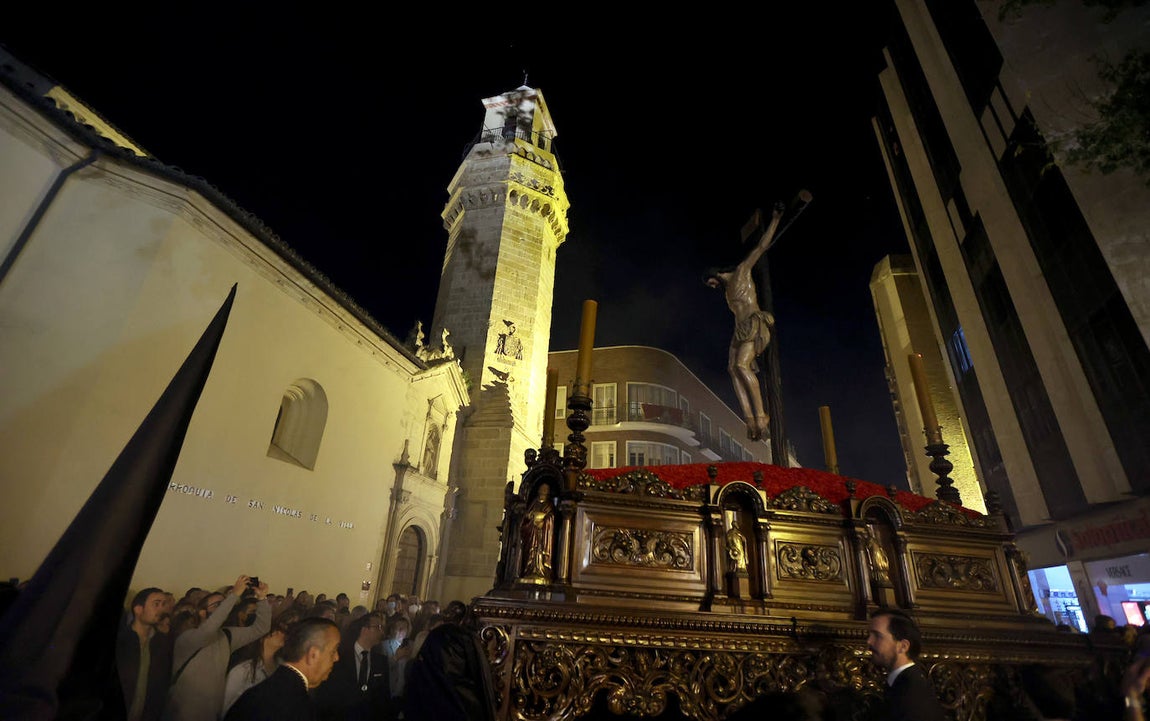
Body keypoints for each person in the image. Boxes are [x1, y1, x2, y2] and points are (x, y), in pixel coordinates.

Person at [703, 202, 785, 441]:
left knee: (741, 366)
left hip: (754, 322)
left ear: (715, 273)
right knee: (731, 368)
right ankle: (750, 420)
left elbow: (761, 247)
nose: (712, 286)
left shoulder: (741, 272)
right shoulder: (727, 291)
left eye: (710, 281)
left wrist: (776, 219)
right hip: (740, 329)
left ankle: (761, 416)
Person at [164, 575, 271, 721]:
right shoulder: (187, 638)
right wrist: (233, 595)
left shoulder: (226, 635)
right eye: (217, 605)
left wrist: (262, 599)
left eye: (224, 605)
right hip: (182, 714)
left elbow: (261, 628)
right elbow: (208, 631)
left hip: (212, 714)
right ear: (202, 612)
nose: (224, 609)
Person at [223, 617, 341, 721]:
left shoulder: (262, 690)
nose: (337, 658)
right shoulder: (298, 706)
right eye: (333, 651)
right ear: (313, 655)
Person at [866, 609, 946, 721]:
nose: (869, 641)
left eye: (877, 636)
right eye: (869, 635)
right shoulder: (905, 683)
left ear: (903, 646)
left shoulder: (911, 693)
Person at [313, 612, 393, 721]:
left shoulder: (381, 661)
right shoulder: (339, 656)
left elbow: (384, 698)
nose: (382, 631)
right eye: (378, 627)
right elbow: (326, 693)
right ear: (364, 629)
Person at [116, 586, 173, 721]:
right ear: (138, 609)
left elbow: (163, 682)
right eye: (156, 604)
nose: (162, 609)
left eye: (164, 604)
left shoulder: (162, 643)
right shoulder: (122, 641)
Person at [221, 619, 288, 716]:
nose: (282, 635)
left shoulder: (283, 666)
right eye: (276, 632)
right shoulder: (243, 670)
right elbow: (227, 707)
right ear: (262, 638)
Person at [520, 483, 555, 582]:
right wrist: (531, 516)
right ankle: (530, 569)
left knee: (540, 550)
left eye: (546, 489)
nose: (543, 490)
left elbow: (551, 517)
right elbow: (526, 516)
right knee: (532, 550)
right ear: (538, 490)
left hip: (543, 534)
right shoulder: (534, 502)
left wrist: (544, 521)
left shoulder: (549, 504)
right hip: (532, 532)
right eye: (542, 488)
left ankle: (542, 570)